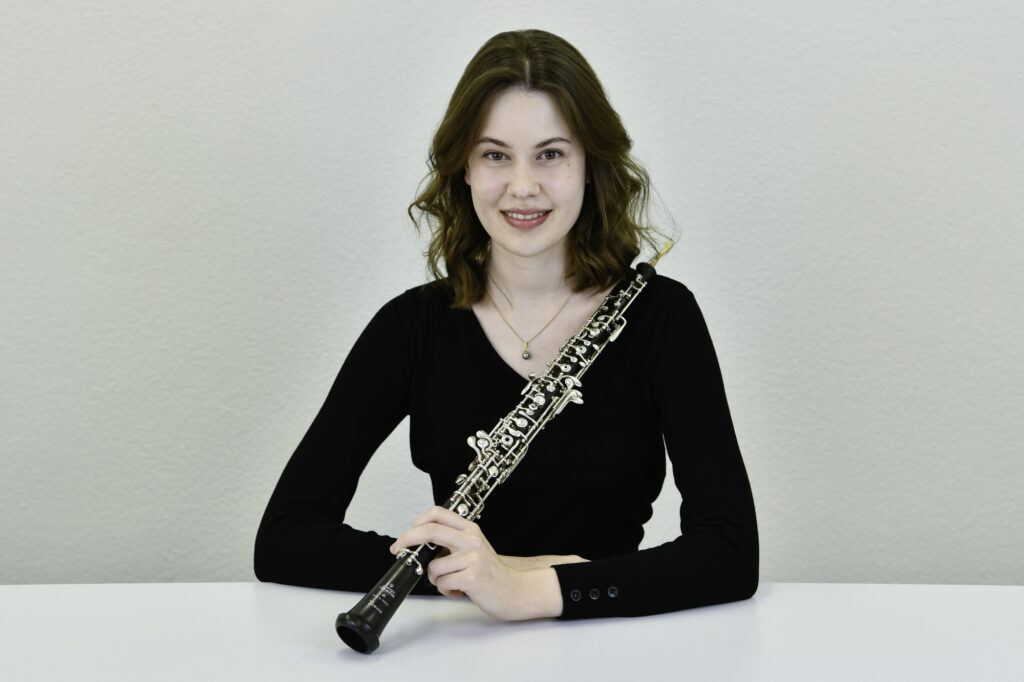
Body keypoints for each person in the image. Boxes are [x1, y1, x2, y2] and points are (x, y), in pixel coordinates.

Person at [254, 29, 757, 621]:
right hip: (459, 647)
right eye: (496, 155)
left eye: (551, 154)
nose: (522, 186)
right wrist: (484, 577)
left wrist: (532, 591)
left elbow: (730, 553)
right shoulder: (410, 327)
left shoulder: (661, 317)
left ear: (590, 165)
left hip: (611, 648)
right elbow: (283, 537)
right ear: (464, 168)